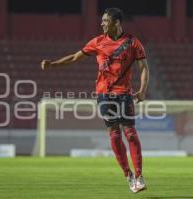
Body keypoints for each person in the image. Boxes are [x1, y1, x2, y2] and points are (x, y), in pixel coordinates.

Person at [41, 8, 149, 193]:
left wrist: (142, 90)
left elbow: (144, 67)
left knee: (130, 133)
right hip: (104, 94)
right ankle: (128, 175)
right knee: (115, 135)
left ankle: (139, 176)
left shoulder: (133, 42)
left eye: (106, 21)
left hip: (124, 94)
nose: (102, 24)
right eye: (102, 21)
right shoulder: (98, 42)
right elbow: (75, 57)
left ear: (116, 23)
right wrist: (53, 64)